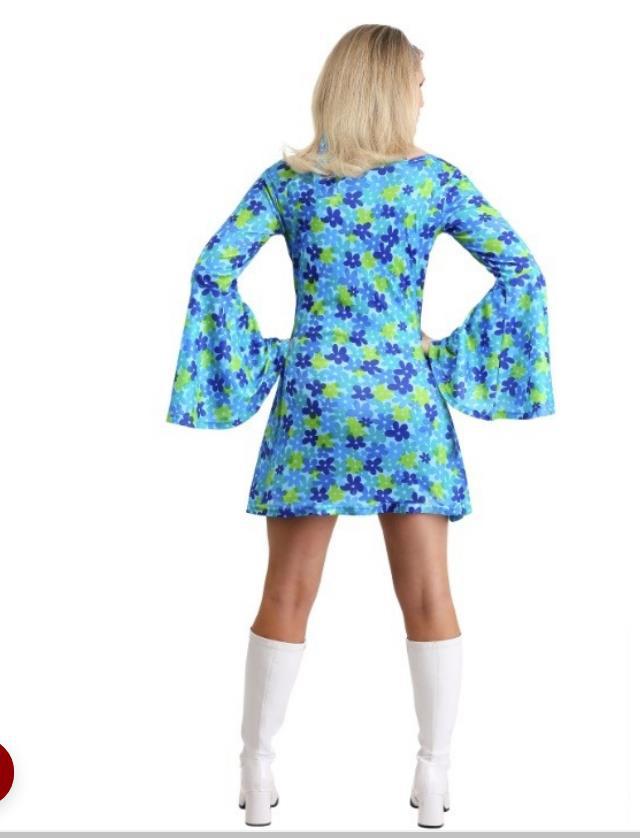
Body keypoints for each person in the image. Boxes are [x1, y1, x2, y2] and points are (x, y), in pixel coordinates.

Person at [166, 23, 555, 829]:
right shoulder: (433, 182)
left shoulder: (290, 182)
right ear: (388, 88)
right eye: (418, 82)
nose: (424, 96)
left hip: (314, 401)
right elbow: (521, 268)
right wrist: (446, 357)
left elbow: (212, 269)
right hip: (404, 404)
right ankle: (434, 775)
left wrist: (266, 357)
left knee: (287, 589)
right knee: (428, 592)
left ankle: (256, 771)